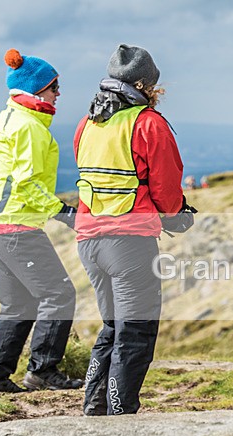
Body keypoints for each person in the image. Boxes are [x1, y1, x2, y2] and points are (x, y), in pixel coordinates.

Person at [74, 44, 187, 415]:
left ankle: (93, 405)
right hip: (129, 244)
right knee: (136, 330)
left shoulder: (87, 123)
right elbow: (168, 195)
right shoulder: (148, 123)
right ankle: (121, 413)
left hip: (88, 240)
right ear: (145, 84)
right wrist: (177, 215)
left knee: (112, 325)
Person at [0, 49, 83, 393]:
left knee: (19, 302)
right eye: (54, 87)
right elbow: (27, 184)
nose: (59, 93)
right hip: (16, 227)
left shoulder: (8, 117)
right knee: (59, 294)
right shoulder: (29, 126)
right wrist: (66, 213)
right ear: (36, 90)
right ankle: (43, 370)